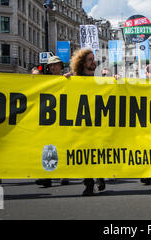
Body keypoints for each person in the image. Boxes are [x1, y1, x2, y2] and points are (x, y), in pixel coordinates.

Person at [67, 49, 106, 196]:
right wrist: (61, 81)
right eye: (90, 59)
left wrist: (115, 80)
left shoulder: (101, 80)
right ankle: (88, 183)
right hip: (82, 123)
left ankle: (100, 176)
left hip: (99, 122)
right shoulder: (74, 80)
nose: (93, 62)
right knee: (85, 154)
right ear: (82, 62)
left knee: (99, 151)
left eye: (93, 59)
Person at [35, 56, 69, 187]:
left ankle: (64, 174)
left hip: (63, 118)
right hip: (49, 119)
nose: (53, 67)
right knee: (48, 148)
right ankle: (47, 176)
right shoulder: (45, 81)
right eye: (50, 66)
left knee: (62, 146)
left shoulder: (68, 80)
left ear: (61, 66)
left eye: (55, 65)